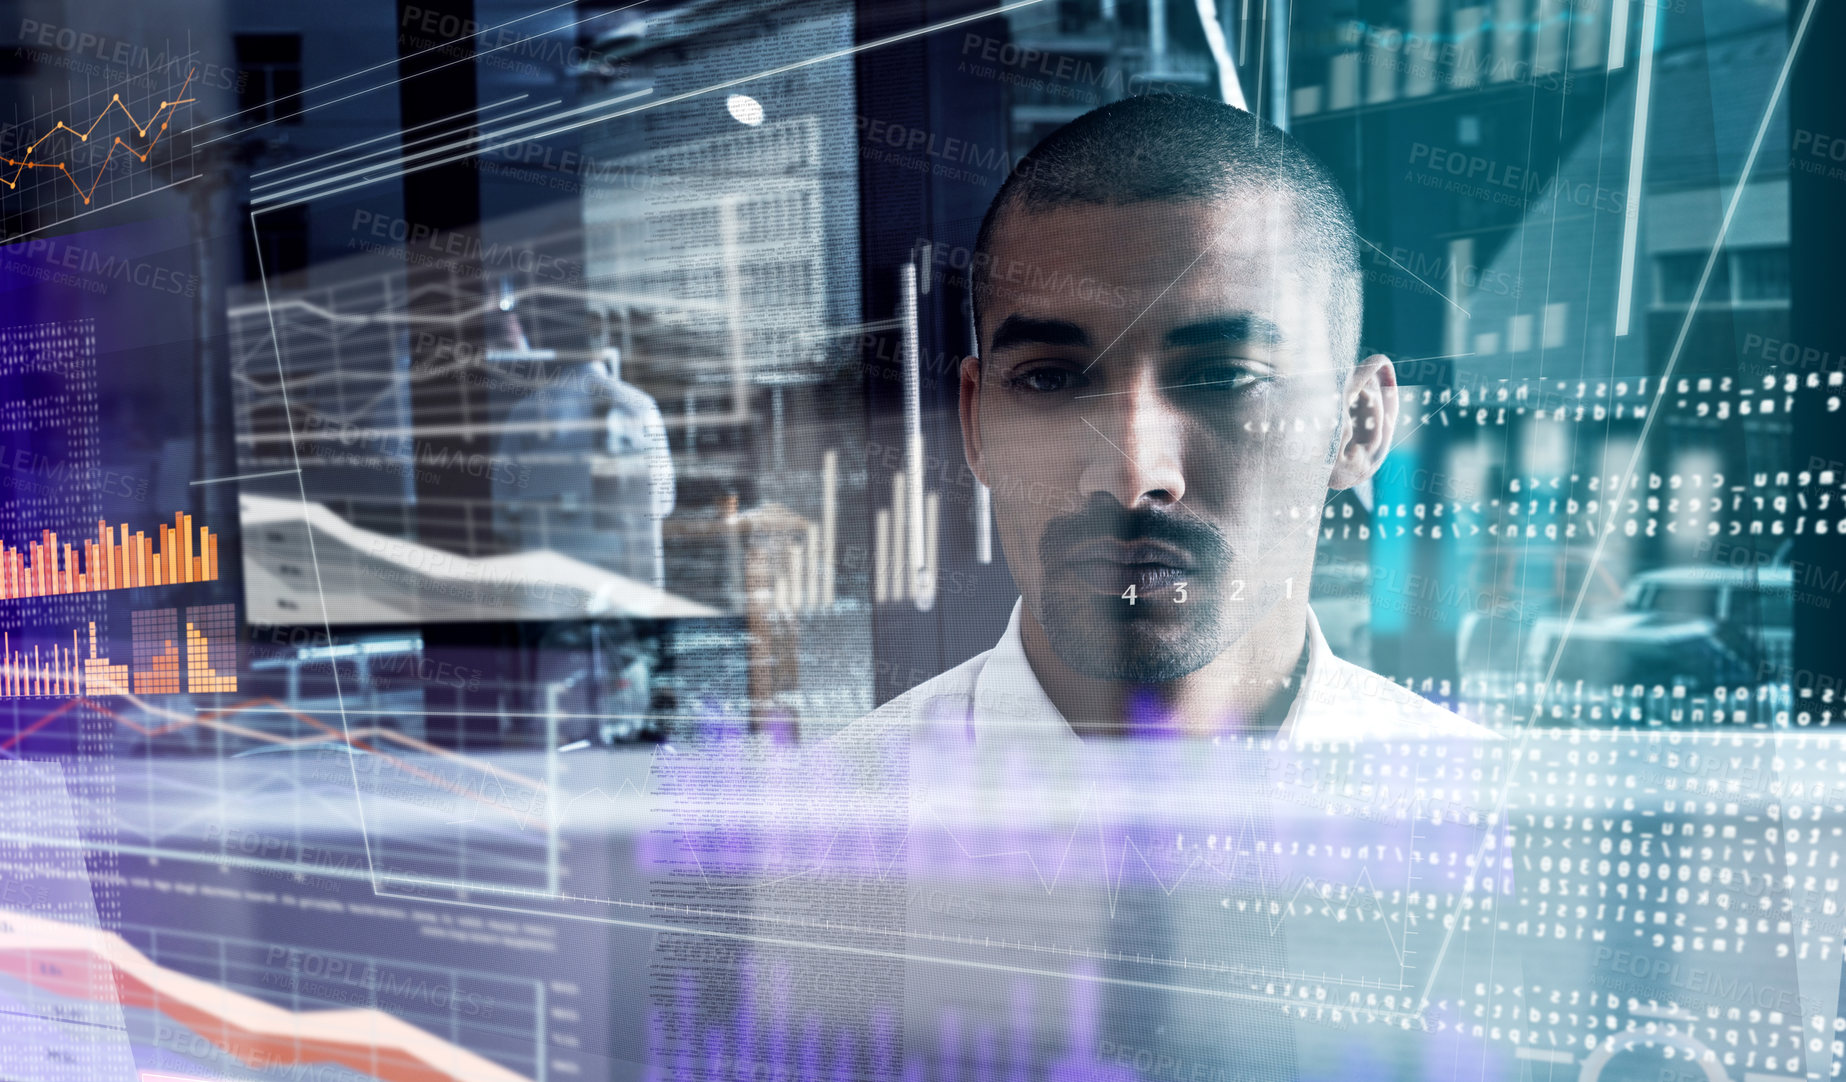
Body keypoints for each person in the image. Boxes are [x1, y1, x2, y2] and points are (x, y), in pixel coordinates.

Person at [870, 92, 1490, 744]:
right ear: (974, 425)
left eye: (1226, 378)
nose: (1134, 474)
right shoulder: (819, 830)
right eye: (1049, 379)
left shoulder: (1497, 818)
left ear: (1359, 426)